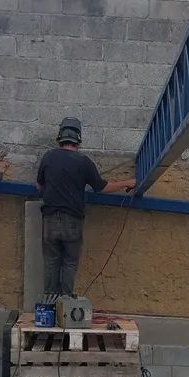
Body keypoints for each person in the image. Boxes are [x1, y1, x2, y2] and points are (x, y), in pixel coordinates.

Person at [36, 117, 136, 297]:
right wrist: (128, 182)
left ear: (60, 137)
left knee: (51, 261)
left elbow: (39, 186)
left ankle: (49, 304)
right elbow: (102, 187)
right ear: (78, 139)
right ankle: (65, 302)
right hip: (72, 220)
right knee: (69, 262)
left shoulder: (48, 157)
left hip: (49, 219)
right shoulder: (84, 162)